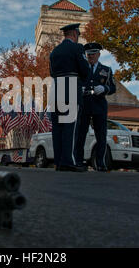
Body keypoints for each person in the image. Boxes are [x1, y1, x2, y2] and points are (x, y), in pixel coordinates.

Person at [49, 23, 91, 172]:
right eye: (77, 35)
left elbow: (52, 72)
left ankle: (59, 161)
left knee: (58, 127)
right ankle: (69, 160)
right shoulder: (77, 48)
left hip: (56, 87)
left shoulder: (54, 52)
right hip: (71, 85)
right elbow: (85, 69)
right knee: (70, 126)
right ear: (74, 34)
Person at [76, 42, 116, 171]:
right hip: (84, 103)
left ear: (99, 54)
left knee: (101, 135)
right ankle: (78, 161)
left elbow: (113, 87)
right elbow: (75, 83)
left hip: (99, 105)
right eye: (88, 54)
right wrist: (79, 90)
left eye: (93, 54)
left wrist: (104, 88)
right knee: (81, 134)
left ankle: (100, 162)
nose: (91, 56)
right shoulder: (81, 69)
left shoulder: (106, 70)